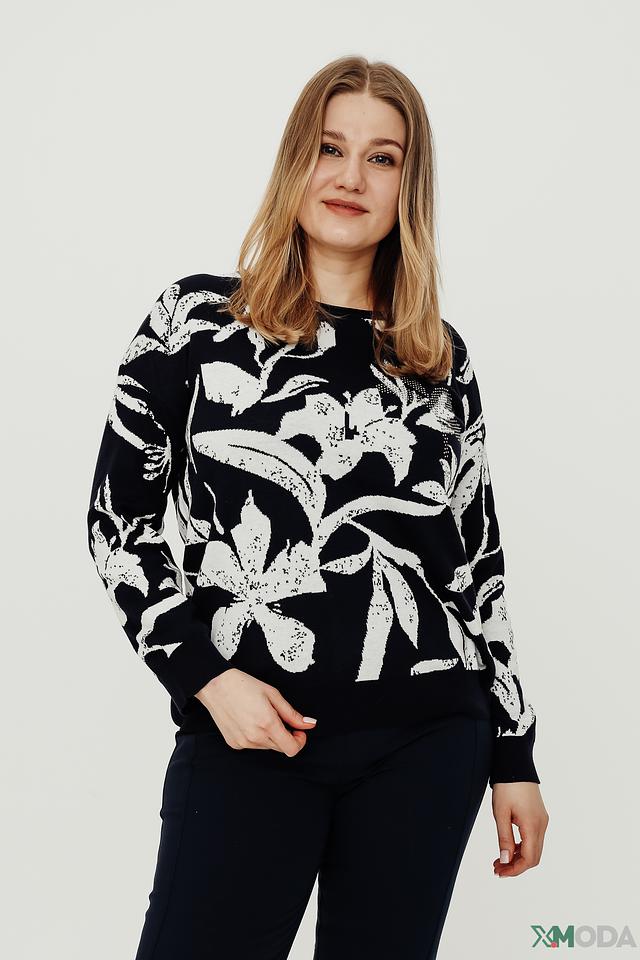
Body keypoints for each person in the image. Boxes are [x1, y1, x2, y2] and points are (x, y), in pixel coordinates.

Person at [86, 55, 549, 960]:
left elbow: (476, 571)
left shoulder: (438, 357)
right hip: (250, 731)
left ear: (409, 187)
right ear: (296, 160)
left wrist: (515, 755)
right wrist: (206, 678)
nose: (351, 177)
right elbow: (119, 526)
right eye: (331, 148)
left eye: (383, 158)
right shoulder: (195, 323)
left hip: (427, 743)